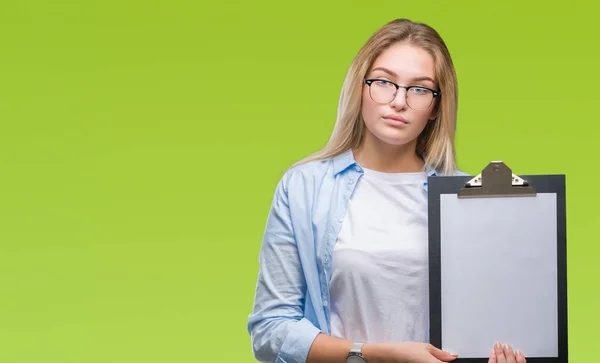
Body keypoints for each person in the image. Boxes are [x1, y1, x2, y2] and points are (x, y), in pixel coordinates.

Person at [247, 18, 527, 363]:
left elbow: (493, 318)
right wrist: (373, 354)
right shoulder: (303, 187)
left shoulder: (469, 197)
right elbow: (270, 331)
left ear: (436, 108)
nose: (398, 101)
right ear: (360, 87)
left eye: (420, 89)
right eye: (384, 82)